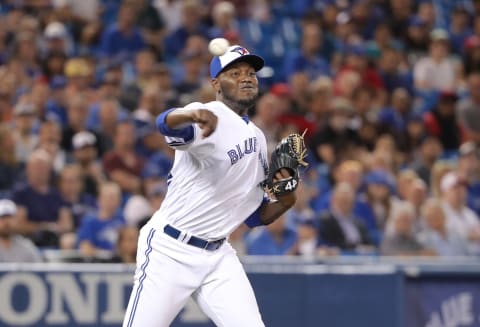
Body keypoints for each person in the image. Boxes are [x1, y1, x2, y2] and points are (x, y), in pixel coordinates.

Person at [123, 44, 299, 327]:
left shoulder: (256, 137)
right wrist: (190, 116)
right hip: (170, 248)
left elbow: (254, 215)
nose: (246, 77)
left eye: (251, 73)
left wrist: (287, 202)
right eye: (235, 73)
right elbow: (165, 124)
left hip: (218, 255)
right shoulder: (207, 113)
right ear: (216, 83)